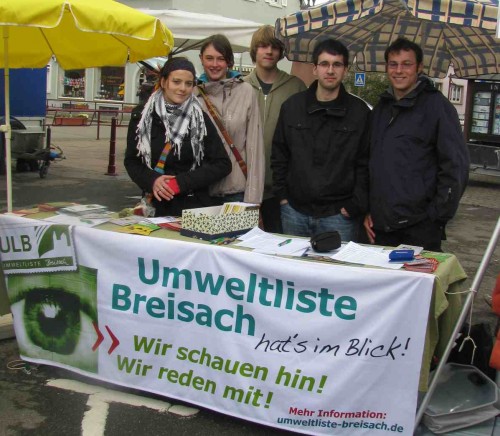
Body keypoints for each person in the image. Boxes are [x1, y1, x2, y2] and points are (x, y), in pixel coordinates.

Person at [363, 38, 469, 251]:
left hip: (419, 228)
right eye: (393, 64)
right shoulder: (381, 109)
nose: (398, 71)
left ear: (419, 67)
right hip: (380, 227)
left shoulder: (437, 107)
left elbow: (455, 168)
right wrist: (367, 210)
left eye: (406, 64)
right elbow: (369, 163)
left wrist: (435, 218)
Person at [271, 38, 370, 242]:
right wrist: (282, 197)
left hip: (339, 216)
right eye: (324, 64)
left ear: (345, 70)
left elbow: (366, 163)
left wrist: (354, 206)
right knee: (291, 263)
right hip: (294, 211)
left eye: (337, 64)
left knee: (336, 265)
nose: (330, 70)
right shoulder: (292, 107)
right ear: (315, 69)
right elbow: (279, 154)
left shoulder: (359, 113)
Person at [124, 57, 231, 217]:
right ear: (163, 82)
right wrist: (153, 180)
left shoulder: (200, 118)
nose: (182, 88)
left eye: (188, 84)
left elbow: (223, 164)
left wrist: (181, 182)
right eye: (176, 82)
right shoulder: (142, 117)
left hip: (193, 207)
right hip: (156, 207)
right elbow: (132, 161)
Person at [244, 25, 306, 233]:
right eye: (263, 46)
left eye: (275, 47)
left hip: (282, 191)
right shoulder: (240, 87)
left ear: (281, 52)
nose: (269, 51)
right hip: (245, 188)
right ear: (255, 49)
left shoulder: (295, 87)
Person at [197, 34, 265, 206]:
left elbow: (255, 149)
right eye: (209, 58)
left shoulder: (246, 92)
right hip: (201, 192)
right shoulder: (192, 95)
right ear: (201, 59)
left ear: (228, 61)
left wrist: (253, 200)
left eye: (220, 59)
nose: (214, 64)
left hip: (236, 193)